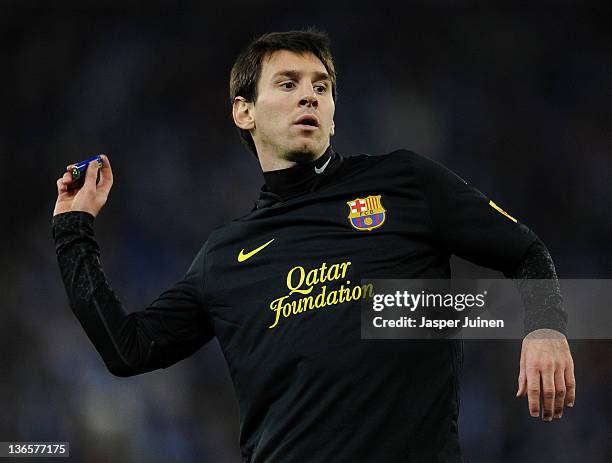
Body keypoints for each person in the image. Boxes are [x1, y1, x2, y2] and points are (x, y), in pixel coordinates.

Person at [52, 29, 575, 462]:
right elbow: (128, 350)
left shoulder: (404, 182)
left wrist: (545, 326)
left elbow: (526, 251)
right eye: (287, 83)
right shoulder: (224, 257)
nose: (310, 95)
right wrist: (73, 232)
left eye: (321, 87)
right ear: (244, 112)